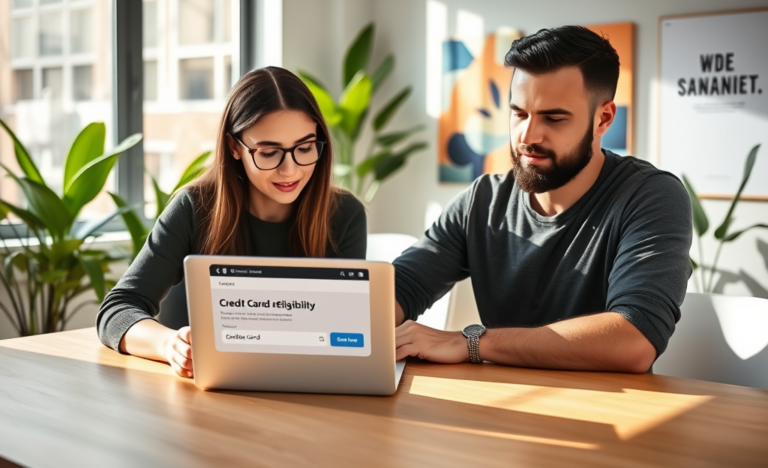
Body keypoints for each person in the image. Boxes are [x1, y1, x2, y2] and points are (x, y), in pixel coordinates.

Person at [393, 26, 692, 373]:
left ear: (603, 119)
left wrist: (471, 342)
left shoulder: (650, 197)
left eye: (554, 118)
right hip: (501, 409)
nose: (528, 136)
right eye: (519, 113)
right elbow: (403, 286)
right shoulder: (483, 201)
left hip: (611, 413)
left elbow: (633, 340)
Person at [97, 66, 367, 378]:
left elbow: (344, 330)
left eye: (305, 148)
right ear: (234, 147)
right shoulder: (193, 208)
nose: (291, 170)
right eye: (269, 153)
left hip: (305, 391)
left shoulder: (344, 214)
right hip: (205, 398)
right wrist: (169, 344)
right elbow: (117, 310)